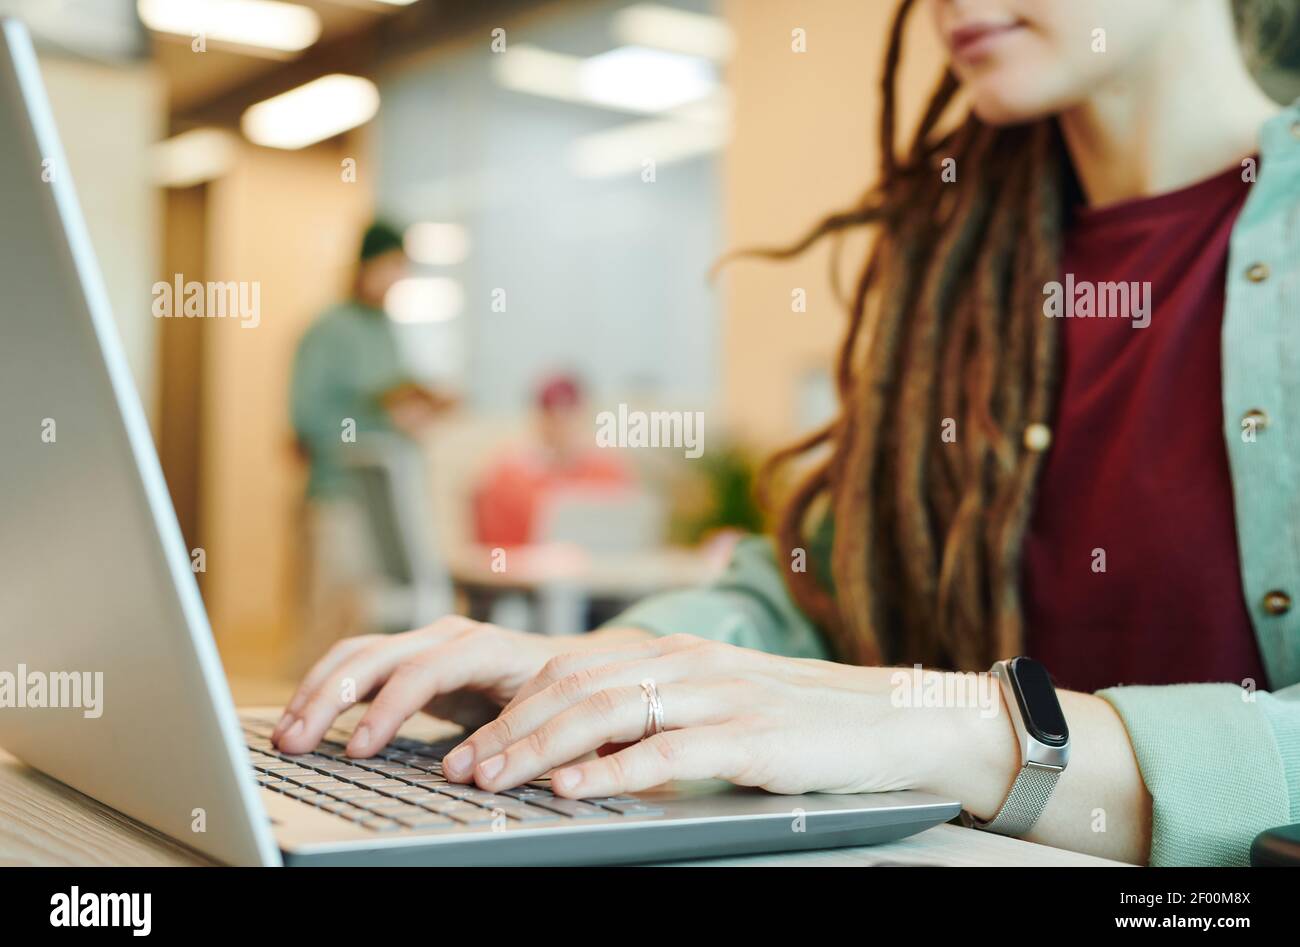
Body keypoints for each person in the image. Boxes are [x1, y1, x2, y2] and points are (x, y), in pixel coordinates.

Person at [273, 0, 1300, 866]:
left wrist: (963, 730)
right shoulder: (961, 261)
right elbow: (826, 599)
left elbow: (898, 710)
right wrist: (604, 668)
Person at [289, 221, 453, 667]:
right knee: (329, 620)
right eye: (391, 266)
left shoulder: (387, 330)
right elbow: (304, 417)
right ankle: (295, 721)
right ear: (366, 265)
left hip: (389, 499)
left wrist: (414, 408)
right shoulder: (329, 330)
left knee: (374, 620)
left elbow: (393, 398)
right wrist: (372, 410)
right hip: (339, 493)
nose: (397, 278)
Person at [471, 374, 632, 548]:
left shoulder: (608, 469)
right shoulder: (506, 476)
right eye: (552, 415)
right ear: (537, 418)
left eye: (570, 414)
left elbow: (627, 525)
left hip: (599, 568)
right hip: (528, 570)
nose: (562, 425)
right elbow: (496, 548)